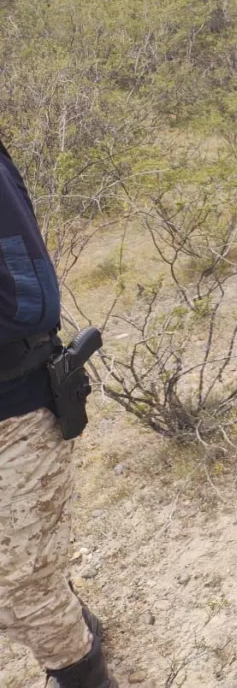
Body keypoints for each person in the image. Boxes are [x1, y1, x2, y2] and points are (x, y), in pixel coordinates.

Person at [0, 139, 117, 688]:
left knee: (19, 585)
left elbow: (30, 300)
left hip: (15, 408)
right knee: (23, 573)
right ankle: (75, 629)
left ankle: (82, 671)